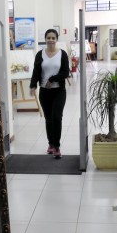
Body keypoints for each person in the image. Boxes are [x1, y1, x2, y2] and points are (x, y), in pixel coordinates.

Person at [30, 29, 70, 159]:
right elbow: (36, 71)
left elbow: (65, 73)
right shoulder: (40, 54)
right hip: (44, 92)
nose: (51, 40)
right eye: (49, 38)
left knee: (57, 117)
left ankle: (57, 146)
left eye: (53, 38)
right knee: (48, 119)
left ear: (56, 39)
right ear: (45, 39)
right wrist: (32, 86)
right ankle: (51, 144)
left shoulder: (62, 54)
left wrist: (52, 79)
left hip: (59, 91)